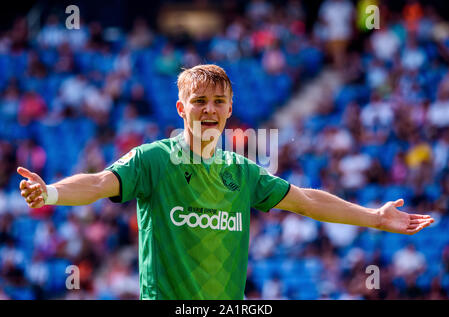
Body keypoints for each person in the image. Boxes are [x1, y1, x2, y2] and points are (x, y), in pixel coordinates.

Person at [17, 64, 434, 300]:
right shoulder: (153, 159)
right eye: (199, 101)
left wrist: (374, 218)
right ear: (182, 108)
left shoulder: (243, 170)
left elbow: (306, 200)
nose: (210, 109)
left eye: (219, 102)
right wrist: (50, 192)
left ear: (231, 108)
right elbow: (97, 183)